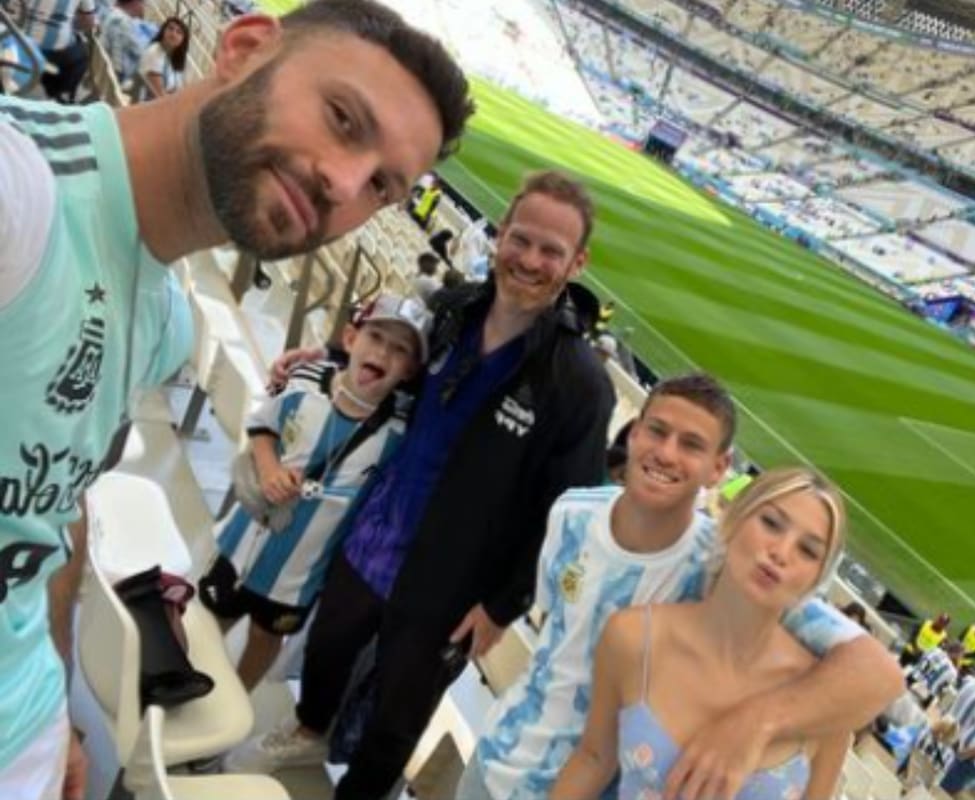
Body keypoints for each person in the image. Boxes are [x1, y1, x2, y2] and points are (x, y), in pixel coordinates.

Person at [0, 1, 471, 796]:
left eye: (382, 189)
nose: (343, 183)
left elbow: (54, 514)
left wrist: (55, 716)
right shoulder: (23, 193)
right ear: (245, 48)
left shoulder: (162, 320)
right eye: (343, 118)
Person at [233, 170, 617, 800]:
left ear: (578, 262)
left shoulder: (579, 383)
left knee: (397, 715)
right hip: (373, 530)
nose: (531, 260)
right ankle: (308, 730)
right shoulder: (452, 309)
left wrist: (502, 605)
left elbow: (566, 514)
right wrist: (327, 361)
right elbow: (388, 357)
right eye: (521, 239)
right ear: (500, 238)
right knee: (327, 649)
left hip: (453, 582)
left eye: (552, 250)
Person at [458, 376, 903, 800]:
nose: (667, 453)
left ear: (719, 467)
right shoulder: (572, 514)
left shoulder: (730, 563)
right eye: (657, 431)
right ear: (633, 435)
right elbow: (554, 636)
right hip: (499, 761)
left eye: (691, 444)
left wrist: (756, 722)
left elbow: (878, 674)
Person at [551, 465, 854, 800]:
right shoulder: (634, 638)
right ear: (736, 520)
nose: (781, 553)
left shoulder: (826, 705)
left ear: (816, 578)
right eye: (770, 523)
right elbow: (593, 759)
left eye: (808, 550)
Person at [198, 294, 427, 690]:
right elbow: (262, 426)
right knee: (210, 621)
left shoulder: (400, 432)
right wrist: (269, 467)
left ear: (409, 370)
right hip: (242, 543)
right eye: (375, 337)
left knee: (266, 636)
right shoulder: (306, 381)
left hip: (298, 575)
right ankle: (188, 683)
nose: (384, 354)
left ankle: (237, 696)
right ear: (351, 339)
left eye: (400, 350)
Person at [23, 0, 95, 102]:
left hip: (13, 39)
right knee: (81, 57)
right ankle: (56, 93)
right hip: (52, 51)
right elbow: (88, 21)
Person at [136, 15, 189, 101]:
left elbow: (178, 89)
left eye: (179, 32)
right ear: (163, 31)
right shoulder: (154, 52)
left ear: (183, 40)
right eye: (170, 28)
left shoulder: (171, 58)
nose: (173, 33)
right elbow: (159, 95)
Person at [99, 0, 146, 86]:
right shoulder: (122, 22)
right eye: (143, 4)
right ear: (135, 3)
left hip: (106, 70)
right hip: (116, 77)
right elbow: (140, 53)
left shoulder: (111, 12)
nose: (144, 8)